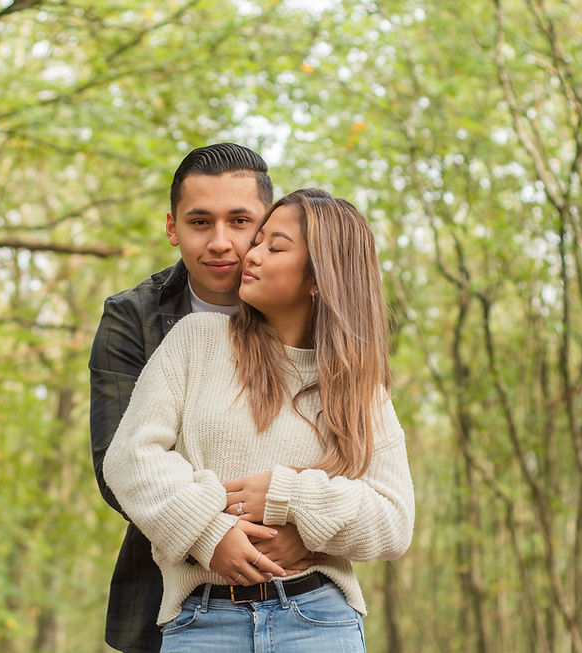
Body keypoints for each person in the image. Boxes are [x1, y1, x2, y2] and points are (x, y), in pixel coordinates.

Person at [104, 189, 415, 652]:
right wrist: (210, 534)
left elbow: (393, 520)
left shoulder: (359, 385)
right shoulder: (196, 341)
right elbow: (130, 459)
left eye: (276, 246)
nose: (252, 253)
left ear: (319, 276)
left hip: (319, 620)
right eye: (260, 240)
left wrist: (288, 496)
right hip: (203, 620)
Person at [90, 144, 320, 653]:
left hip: (305, 595)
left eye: (241, 221)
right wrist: (209, 535)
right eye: (200, 222)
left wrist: (310, 528)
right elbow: (119, 459)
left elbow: (354, 461)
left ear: (268, 225)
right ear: (173, 228)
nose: (221, 242)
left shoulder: (311, 316)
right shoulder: (132, 318)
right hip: (170, 592)